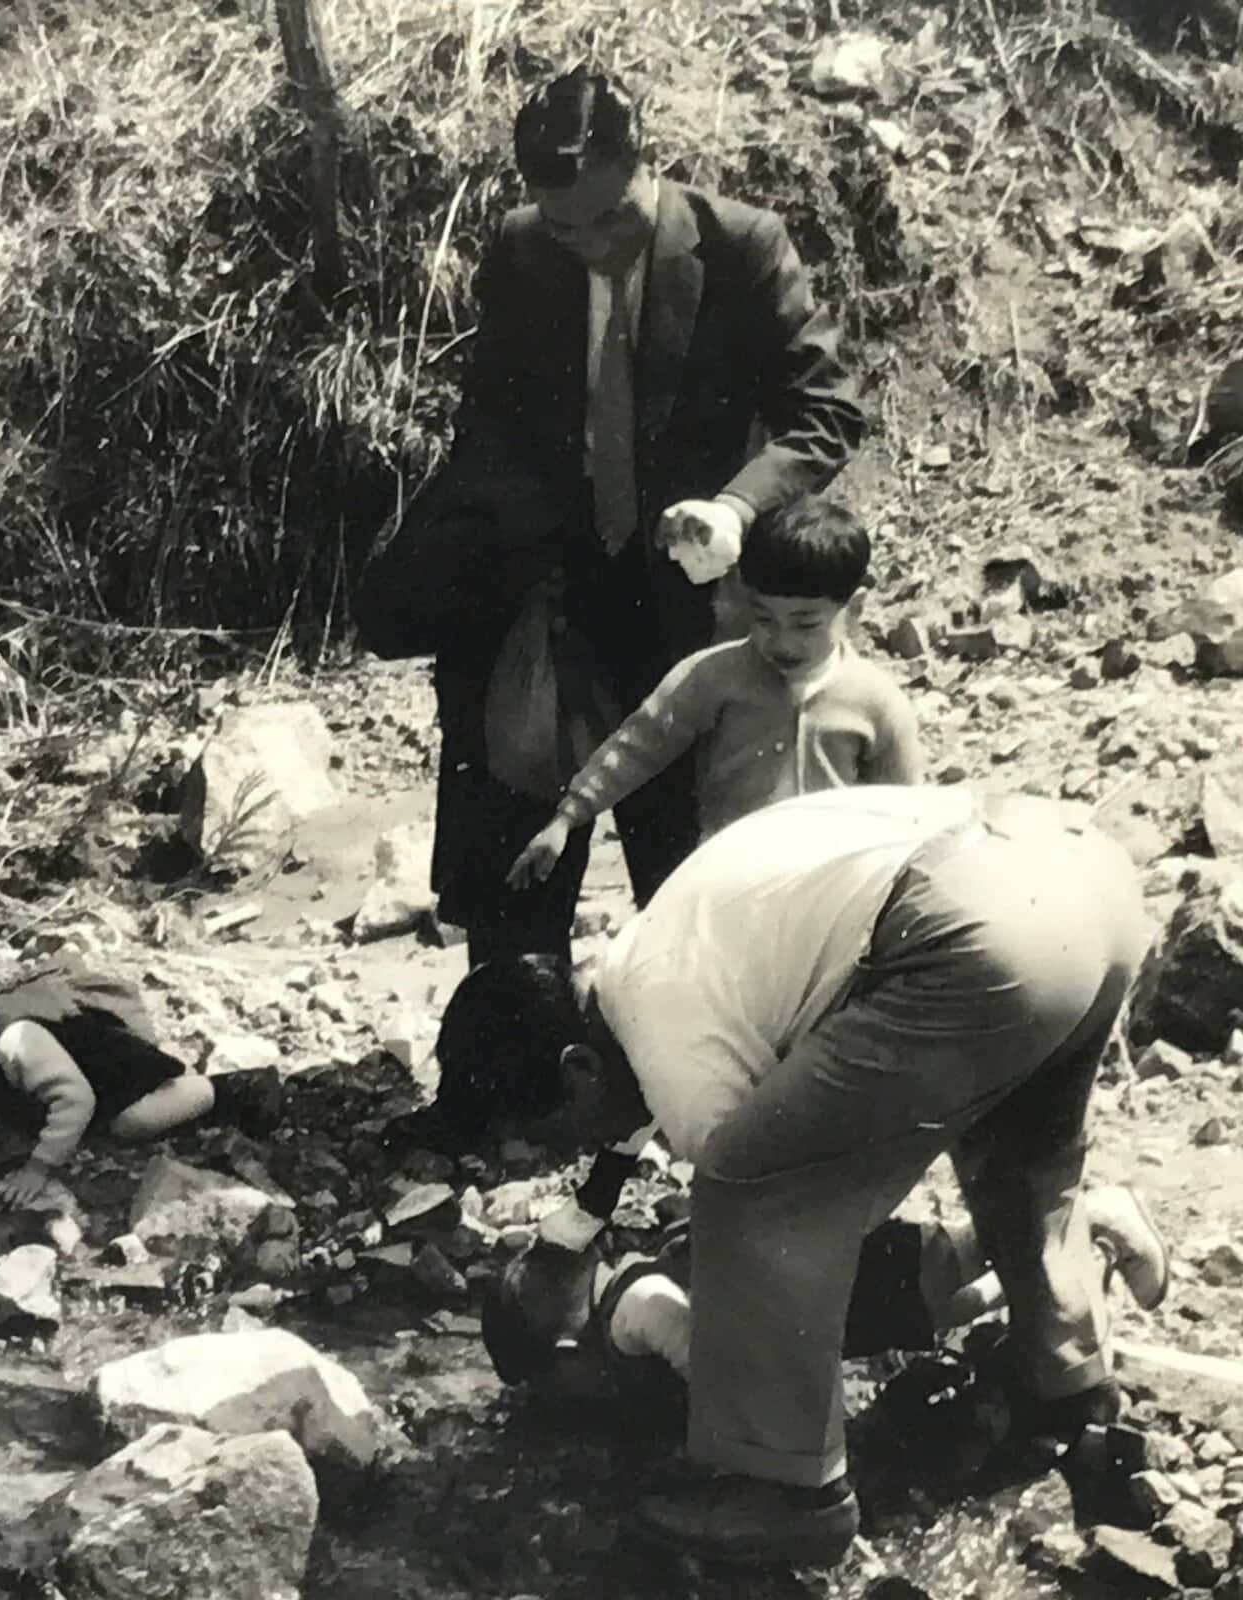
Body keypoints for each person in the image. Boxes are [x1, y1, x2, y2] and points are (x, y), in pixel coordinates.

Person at [424, 785, 1150, 1568]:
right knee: (1023, 1161)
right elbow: (629, 1120)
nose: (567, 1151)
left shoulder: (662, 1020)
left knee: (747, 1192)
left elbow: (783, 1204)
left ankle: (789, 1493)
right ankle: (1065, 1374)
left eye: (554, 1133)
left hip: (975, 930)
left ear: (576, 1071)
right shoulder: (644, 965)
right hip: (1079, 881)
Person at [353, 66, 865, 966]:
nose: (590, 246)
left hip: (690, 596)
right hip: (552, 595)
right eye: (565, 226)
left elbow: (824, 411)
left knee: (694, 877)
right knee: (513, 862)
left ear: (647, 168)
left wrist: (738, 508)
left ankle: (683, 1087)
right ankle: (509, 1078)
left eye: (610, 219)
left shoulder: (742, 246)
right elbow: (492, 420)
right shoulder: (520, 250)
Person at [507, 498, 921, 889]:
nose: (782, 642)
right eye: (764, 619)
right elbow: (639, 744)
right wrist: (569, 816)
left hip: (831, 883)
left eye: (806, 624)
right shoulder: (715, 676)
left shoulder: (876, 700)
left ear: (855, 607)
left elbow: (904, 810)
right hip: (733, 877)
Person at [482, 1186, 1169, 1403]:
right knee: (948, 1308)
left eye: (559, 1386)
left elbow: (712, 1371)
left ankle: (1092, 1211)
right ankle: (1075, 1254)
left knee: (949, 1261)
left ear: (566, 1348)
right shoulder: (618, 1299)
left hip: (843, 1280)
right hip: (821, 1307)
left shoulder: (635, 1310)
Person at [0, 943, 282, 1205]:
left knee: (128, 1125)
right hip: (45, 1086)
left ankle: (223, 1090)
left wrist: (38, 1169)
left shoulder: (15, 1040)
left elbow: (76, 1099)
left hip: (124, 1082)